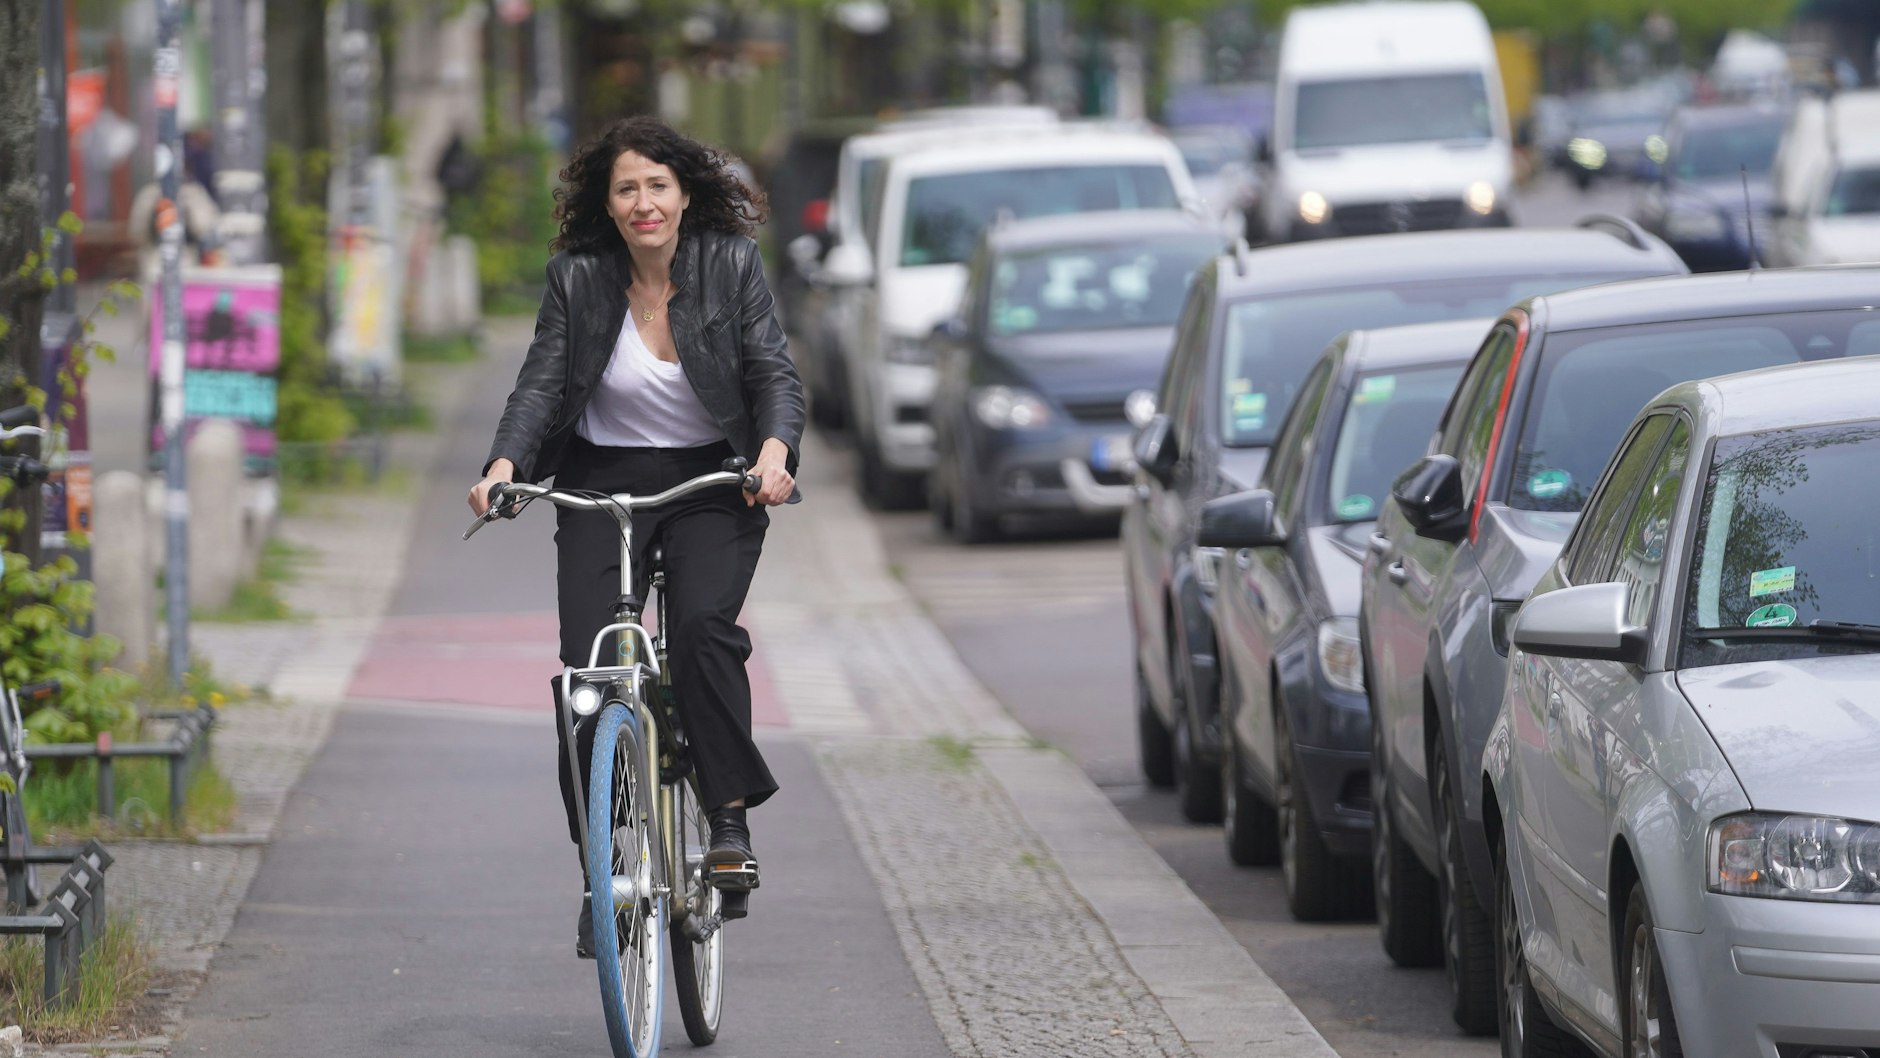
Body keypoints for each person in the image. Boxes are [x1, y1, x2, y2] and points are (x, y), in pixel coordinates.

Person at [467, 116, 804, 956]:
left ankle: (726, 822)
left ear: (685, 194)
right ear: (607, 205)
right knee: (588, 678)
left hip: (711, 483)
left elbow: (771, 370)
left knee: (698, 632)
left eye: (658, 185)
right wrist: (504, 466)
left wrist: (772, 455)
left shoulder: (729, 265)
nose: (644, 202)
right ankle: (600, 871)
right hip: (598, 484)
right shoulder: (576, 279)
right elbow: (541, 383)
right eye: (627, 189)